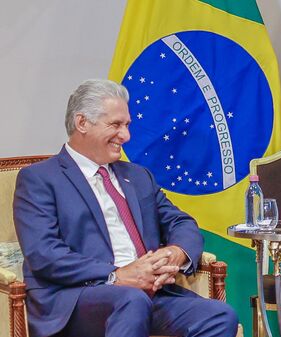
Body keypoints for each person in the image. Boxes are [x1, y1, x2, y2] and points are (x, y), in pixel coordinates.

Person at [13, 79, 238, 337]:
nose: (126, 136)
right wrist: (117, 275)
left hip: (150, 294)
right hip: (78, 298)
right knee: (131, 300)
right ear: (82, 123)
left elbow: (181, 222)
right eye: (116, 125)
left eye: (127, 125)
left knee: (221, 316)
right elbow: (44, 253)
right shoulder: (40, 178)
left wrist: (176, 253)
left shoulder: (138, 176)